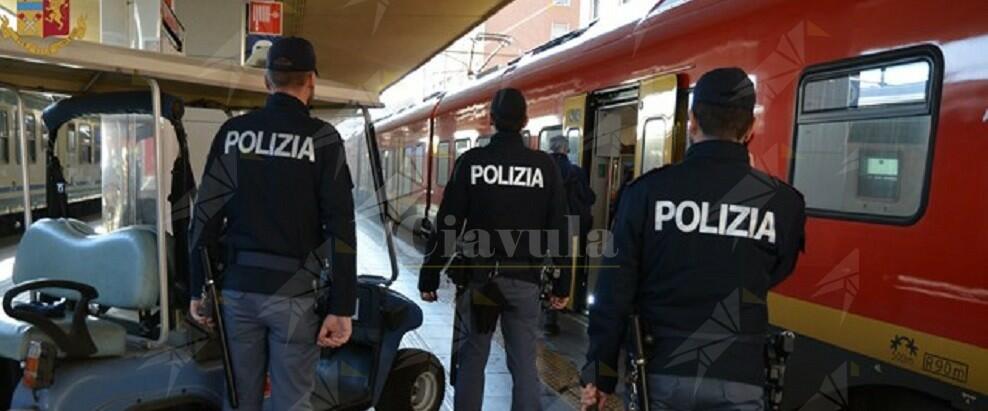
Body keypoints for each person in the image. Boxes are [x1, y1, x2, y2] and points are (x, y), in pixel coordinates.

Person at [580, 67, 806, 410]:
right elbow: (776, 270)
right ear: (750, 129)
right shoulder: (783, 203)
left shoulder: (645, 193)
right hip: (739, 373)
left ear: (692, 123)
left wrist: (600, 373)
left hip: (661, 372)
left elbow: (615, 288)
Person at [188, 37, 357, 411]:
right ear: (311, 81)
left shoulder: (233, 134)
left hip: (238, 290)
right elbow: (341, 227)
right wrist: (342, 305)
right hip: (296, 295)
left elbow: (206, 217)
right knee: (292, 401)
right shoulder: (323, 139)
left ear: (267, 80)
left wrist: (199, 287)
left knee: (240, 398)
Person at [419, 88, 572, 411]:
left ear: (491, 121)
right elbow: (559, 228)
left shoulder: (472, 162)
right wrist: (563, 283)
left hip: (479, 281)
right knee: (525, 366)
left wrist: (429, 276)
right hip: (525, 280)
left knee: (472, 361)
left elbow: (448, 224)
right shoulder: (544, 167)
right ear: (526, 121)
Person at [544, 135, 595, 336]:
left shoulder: (544, 168)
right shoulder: (576, 171)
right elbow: (589, 197)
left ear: (551, 148)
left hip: (545, 223)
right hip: (569, 225)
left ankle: (547, 311)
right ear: (566, 150)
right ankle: (557, 308)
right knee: (564, 263)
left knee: (545, 264)